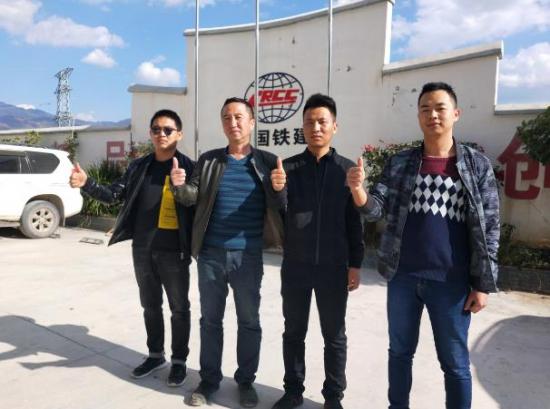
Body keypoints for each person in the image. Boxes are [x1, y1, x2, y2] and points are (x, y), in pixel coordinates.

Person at [346, 82, 500, 409]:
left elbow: (490, 225)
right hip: (403, 277)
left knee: (454, 363)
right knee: (400, 353)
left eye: (440, 108)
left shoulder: (476, 165)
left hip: (452, 282)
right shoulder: (401, 162)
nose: (433, 115)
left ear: (456, 114)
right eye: (425, 109)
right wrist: (358, 191)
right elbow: (375, 209)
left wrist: (483, 284)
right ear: (418, 116)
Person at [170, 97, 285, 408]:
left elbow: (281, 206)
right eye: (226, 117)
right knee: (210, 320)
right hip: (210, 255)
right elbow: (191, 196)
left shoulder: (267, 162)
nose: (232, 123)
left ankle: (246, 381)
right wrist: (179, 186)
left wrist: (280, 189)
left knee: (249, 321)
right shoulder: (209, 160)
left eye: (238, 117)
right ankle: (209, 381)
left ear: (251, 122)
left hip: (248, 256)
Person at [69, 109, 194, 387]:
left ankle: (179, 361)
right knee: (150, 305)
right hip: (143, 249)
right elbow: (113, 194)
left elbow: (197, 206)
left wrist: (182, 186)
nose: (161, 134)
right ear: (150, 133)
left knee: (179, 308)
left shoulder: (190, 168)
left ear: (179, 134)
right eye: (156, 129)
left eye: (168, 130)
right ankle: (155, 355)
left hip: (175, 252)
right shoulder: (139, 167)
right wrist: (87, 183)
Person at [270, 93, 364, 409]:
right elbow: (279, 214)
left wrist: (355, 264)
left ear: (334, 126)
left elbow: (354, 222)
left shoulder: (346, 170)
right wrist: (278, 190)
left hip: (333, 267)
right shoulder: (289, 168)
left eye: (322, 121)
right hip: (295, 265)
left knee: (334, 336)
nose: (316, 128)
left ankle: (333, 396)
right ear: (303, 127)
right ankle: (293, 391)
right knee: (293, 332)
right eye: (309, 122)